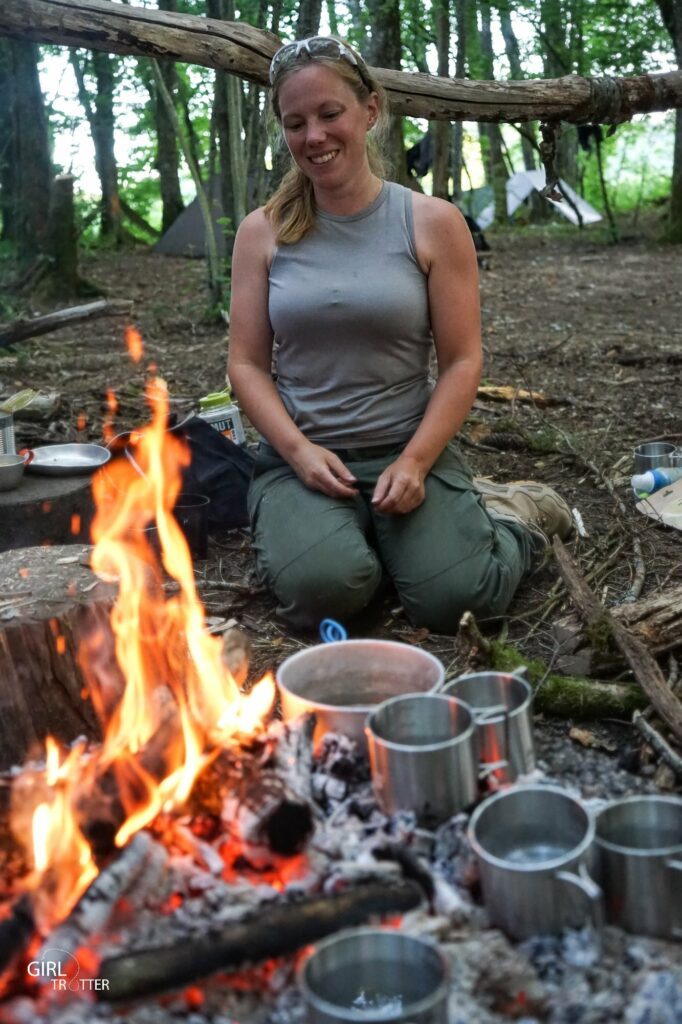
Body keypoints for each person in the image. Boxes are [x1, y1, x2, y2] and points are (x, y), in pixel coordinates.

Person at [228, 35, 572, 634]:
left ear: (371, 110)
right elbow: (247, 366)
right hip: (302, 457)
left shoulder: (432, 222)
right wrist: (298, 452)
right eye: (296, 122)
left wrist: (416, 460)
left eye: (330, 114)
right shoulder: (262, 233)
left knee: (461, 602)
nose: (314, 137)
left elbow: (463, 361)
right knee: (323, 591)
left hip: (409, 450)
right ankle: (362, 543)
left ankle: (517, 514)